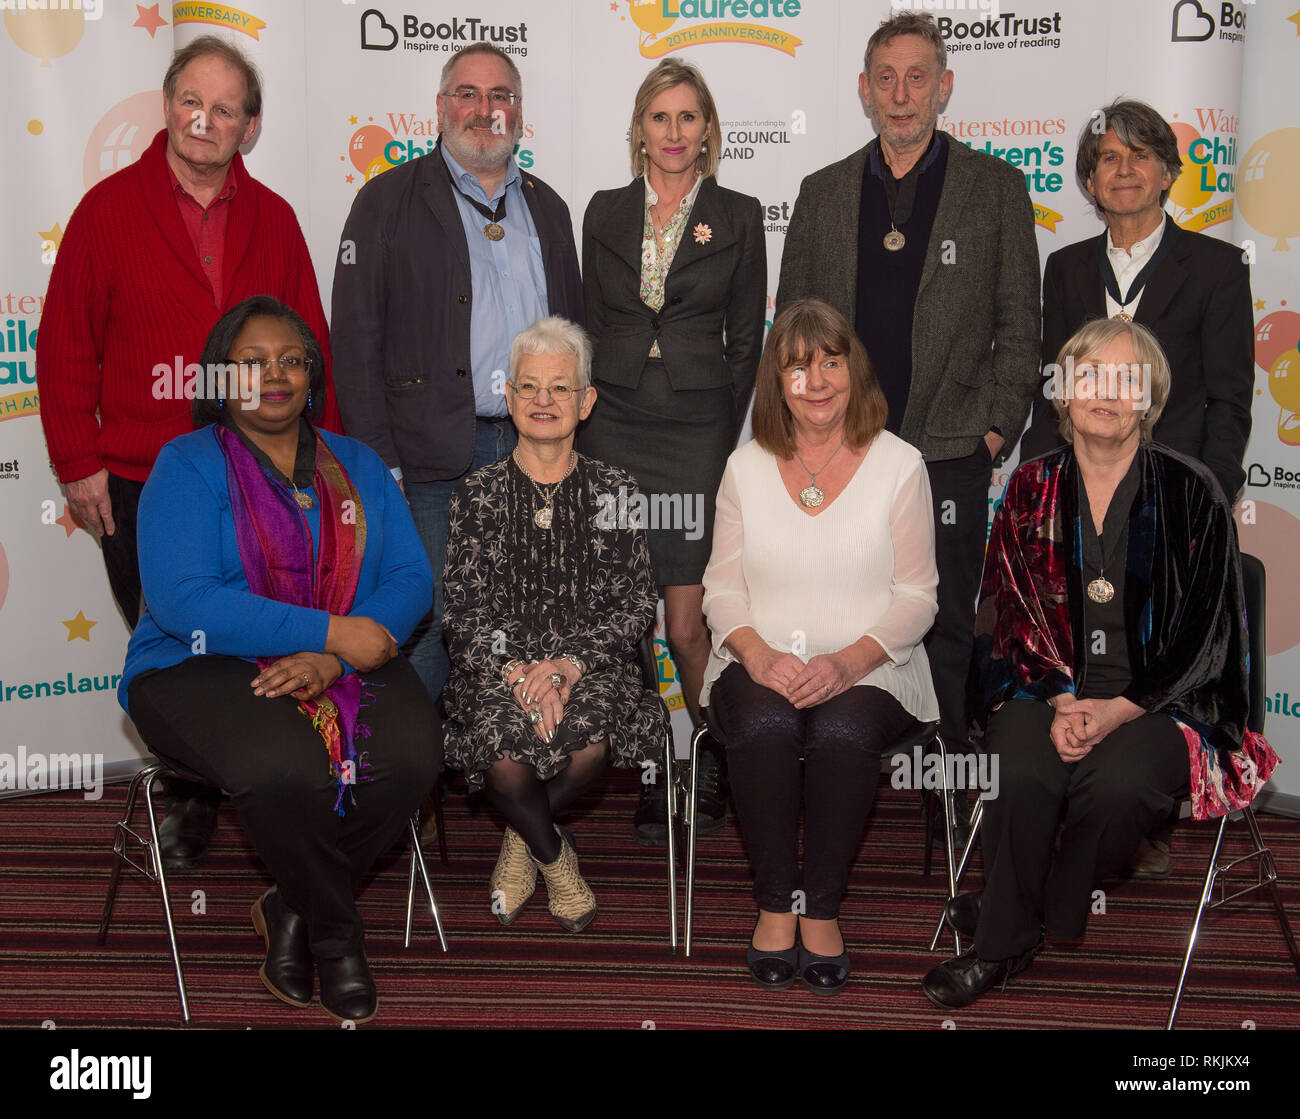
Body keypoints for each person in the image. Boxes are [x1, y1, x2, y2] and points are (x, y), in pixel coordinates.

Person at [37, 34, 342, 871]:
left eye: (226, 108)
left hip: (260, 478)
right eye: (190, 100)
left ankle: (267, 782)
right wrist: (76, 459)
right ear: (169, 103)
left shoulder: (274, 217)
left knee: (252, 640)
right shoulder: (105, 211)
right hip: (138, 479)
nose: (203, 119)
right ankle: (189, 794)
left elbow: (310, 345)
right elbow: (64, 344)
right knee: (169, 644)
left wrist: (327, 463)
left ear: (250, 127)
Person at [921, 319, 1280, 1010]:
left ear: (1149, 400)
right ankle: (1001, 943)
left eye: (1127, 380)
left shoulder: (1194, 494)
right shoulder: (1028, 489)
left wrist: (1117, 709)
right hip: (1046, 687)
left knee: (1114, 787)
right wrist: (1058, 700)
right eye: (1091, 376)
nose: (1107, 393)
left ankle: (1035, 901)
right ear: (1064, 390)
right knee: (1018, 768)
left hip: (1161, 703)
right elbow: (1010, 613)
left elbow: (1206, 639)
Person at [119, 297, 440, 1025]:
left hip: (341, 657)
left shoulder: (355, 462)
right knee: (284, 764)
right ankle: (335, 935)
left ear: (312, 373)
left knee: (416, 756)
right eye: (252, 362)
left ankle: (289, 905)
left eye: (291, 359)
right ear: (219, 378)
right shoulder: (186, 464)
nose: (275, 375)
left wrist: (337, 654)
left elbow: (410, 577)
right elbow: (184, 600)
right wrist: (330, 631)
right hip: (193, 664)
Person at [775, 12, 1040, 815]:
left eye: (917, 76)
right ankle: (835, 763)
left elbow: (1020, 330)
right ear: (863, 90)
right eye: (885, 78)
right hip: (840, 447)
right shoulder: (822, 194)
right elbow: (792, 328)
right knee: (838, 610)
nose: (901, 94)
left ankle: (950, 783)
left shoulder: (995, 188)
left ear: (945, 87)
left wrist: (993, 428)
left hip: (950, 447)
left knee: (948, 621)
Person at [1018, 100, 1255, 880]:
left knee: (1151, 661)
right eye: (1107, 158)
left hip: (1171, 515)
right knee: (1075, 649)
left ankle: (1138, 803)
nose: (1123, 170)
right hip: (1080, 504)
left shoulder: (1217, 268)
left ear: (1168, 173)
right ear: (1088, 179)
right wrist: (1035, 498)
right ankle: (1079, 790)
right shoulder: (1067, 267)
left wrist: (1206, 507)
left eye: (1140, 156)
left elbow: (1230, 400)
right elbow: (1056, 390)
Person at [331, 43, 583, 708]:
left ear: (519, 114)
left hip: (535, 454)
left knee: (530, 622)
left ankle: (514, 786)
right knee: (429, 625)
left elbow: (574, 338)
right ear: (441, 108)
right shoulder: (385, 203)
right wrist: (379, 462)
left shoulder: (550, 210)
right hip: (427, 458)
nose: (485, 110)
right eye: (468, 94)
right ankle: (413, 796)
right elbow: (355, 342)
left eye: (501, 96)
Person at [701, 300, 939, 995]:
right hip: (755, 657)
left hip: (875, 664)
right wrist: (759, 656)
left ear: (853, 370)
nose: (816, 380)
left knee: (839, 730)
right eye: (798, 366)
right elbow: (721, 592)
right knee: (768, 721)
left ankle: (823, 906)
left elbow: (918, 597)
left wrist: (848, 661)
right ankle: (778, 902)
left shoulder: (901, 465)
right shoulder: (744, 467)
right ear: (777, 381)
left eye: (831, 362)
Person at [579, 58, 766, 843]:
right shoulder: (603, 211)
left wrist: (724, 429)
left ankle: (711, 756)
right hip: (614, 421)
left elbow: (749, 337)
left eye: (689, 118)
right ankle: (658, 757)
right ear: (640, 129)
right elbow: (588, 321)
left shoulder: (740, 212)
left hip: (696, 429)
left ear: (708, 129)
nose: (674, 133)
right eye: (661, 118)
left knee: (687, 622)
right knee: (622, 618)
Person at [441, 317, 668, 932]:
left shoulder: (615, 489)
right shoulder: (476, 494)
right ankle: (556, 857)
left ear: (586, 401)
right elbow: (463, 605)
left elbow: (634, 602)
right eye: (530, 387)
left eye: (561, 388)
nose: (544, 400)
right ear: (509, 397)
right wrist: (517, 672)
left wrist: (566, 667)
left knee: (588, 745)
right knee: (505, 760)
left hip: (590, 667)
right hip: (498, 667)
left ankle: (521, 839)